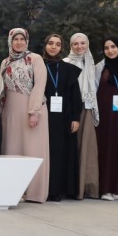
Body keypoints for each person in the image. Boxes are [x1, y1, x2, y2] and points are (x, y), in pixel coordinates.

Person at [0, 28, 49, 203]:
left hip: (31, 110)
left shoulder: (35, 59)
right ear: (10, 41)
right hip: (11, 112)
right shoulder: (5, 62)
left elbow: (40, 85)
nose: (19, 42)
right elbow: (3, 91)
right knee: (12, 150)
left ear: (27, 40)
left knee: (32, 151)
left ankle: (35, 193)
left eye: (22, 39)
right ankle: (14, 191)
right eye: (15, 39)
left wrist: (34, 111)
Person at [41, 33, 84, 201]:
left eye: (57, 44)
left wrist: (76, 118)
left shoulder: (69, 69)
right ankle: (46, 188)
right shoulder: (38, 66)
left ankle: (60, 189)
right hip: (45, 117)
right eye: (50, 43)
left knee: (63, 152)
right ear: (45, 45)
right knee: (48, 152)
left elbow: (75, 96)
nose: (53, 47)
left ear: (61, 48)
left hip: (65, 117)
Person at [93, 37, 118, 200]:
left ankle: (112, 188)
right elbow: (94, 89)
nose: (110, 50)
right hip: (102, 116)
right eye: (106, 48)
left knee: (117, 149)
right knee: (101, 149)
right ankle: (100, 187)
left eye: (113, 47)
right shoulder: (99, 67)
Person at [63, 33, 101, 200]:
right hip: (70, 111)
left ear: (87, 44)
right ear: (71, 45)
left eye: (82, 43)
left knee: (86, 150)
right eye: (76, 43)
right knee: (70, 149)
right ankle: (69, 188)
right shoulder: (65, 63)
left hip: (87, 109)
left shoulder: (93, 65)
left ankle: (85, 188)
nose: (79, 47)